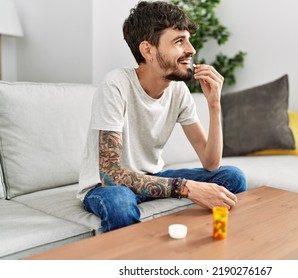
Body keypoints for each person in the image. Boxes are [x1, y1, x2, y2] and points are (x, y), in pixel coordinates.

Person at [77, 0, 247, 232]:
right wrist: (185, 188)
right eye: (179, 41)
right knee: (118, 201)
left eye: (188, 39)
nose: (191, 50)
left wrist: (214, 105)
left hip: (153, 177)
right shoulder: (115, 85)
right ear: (147, 50)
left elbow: (211, 163)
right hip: (106, 187)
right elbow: (111, 175)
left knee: (233, 176)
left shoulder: (178, 91)